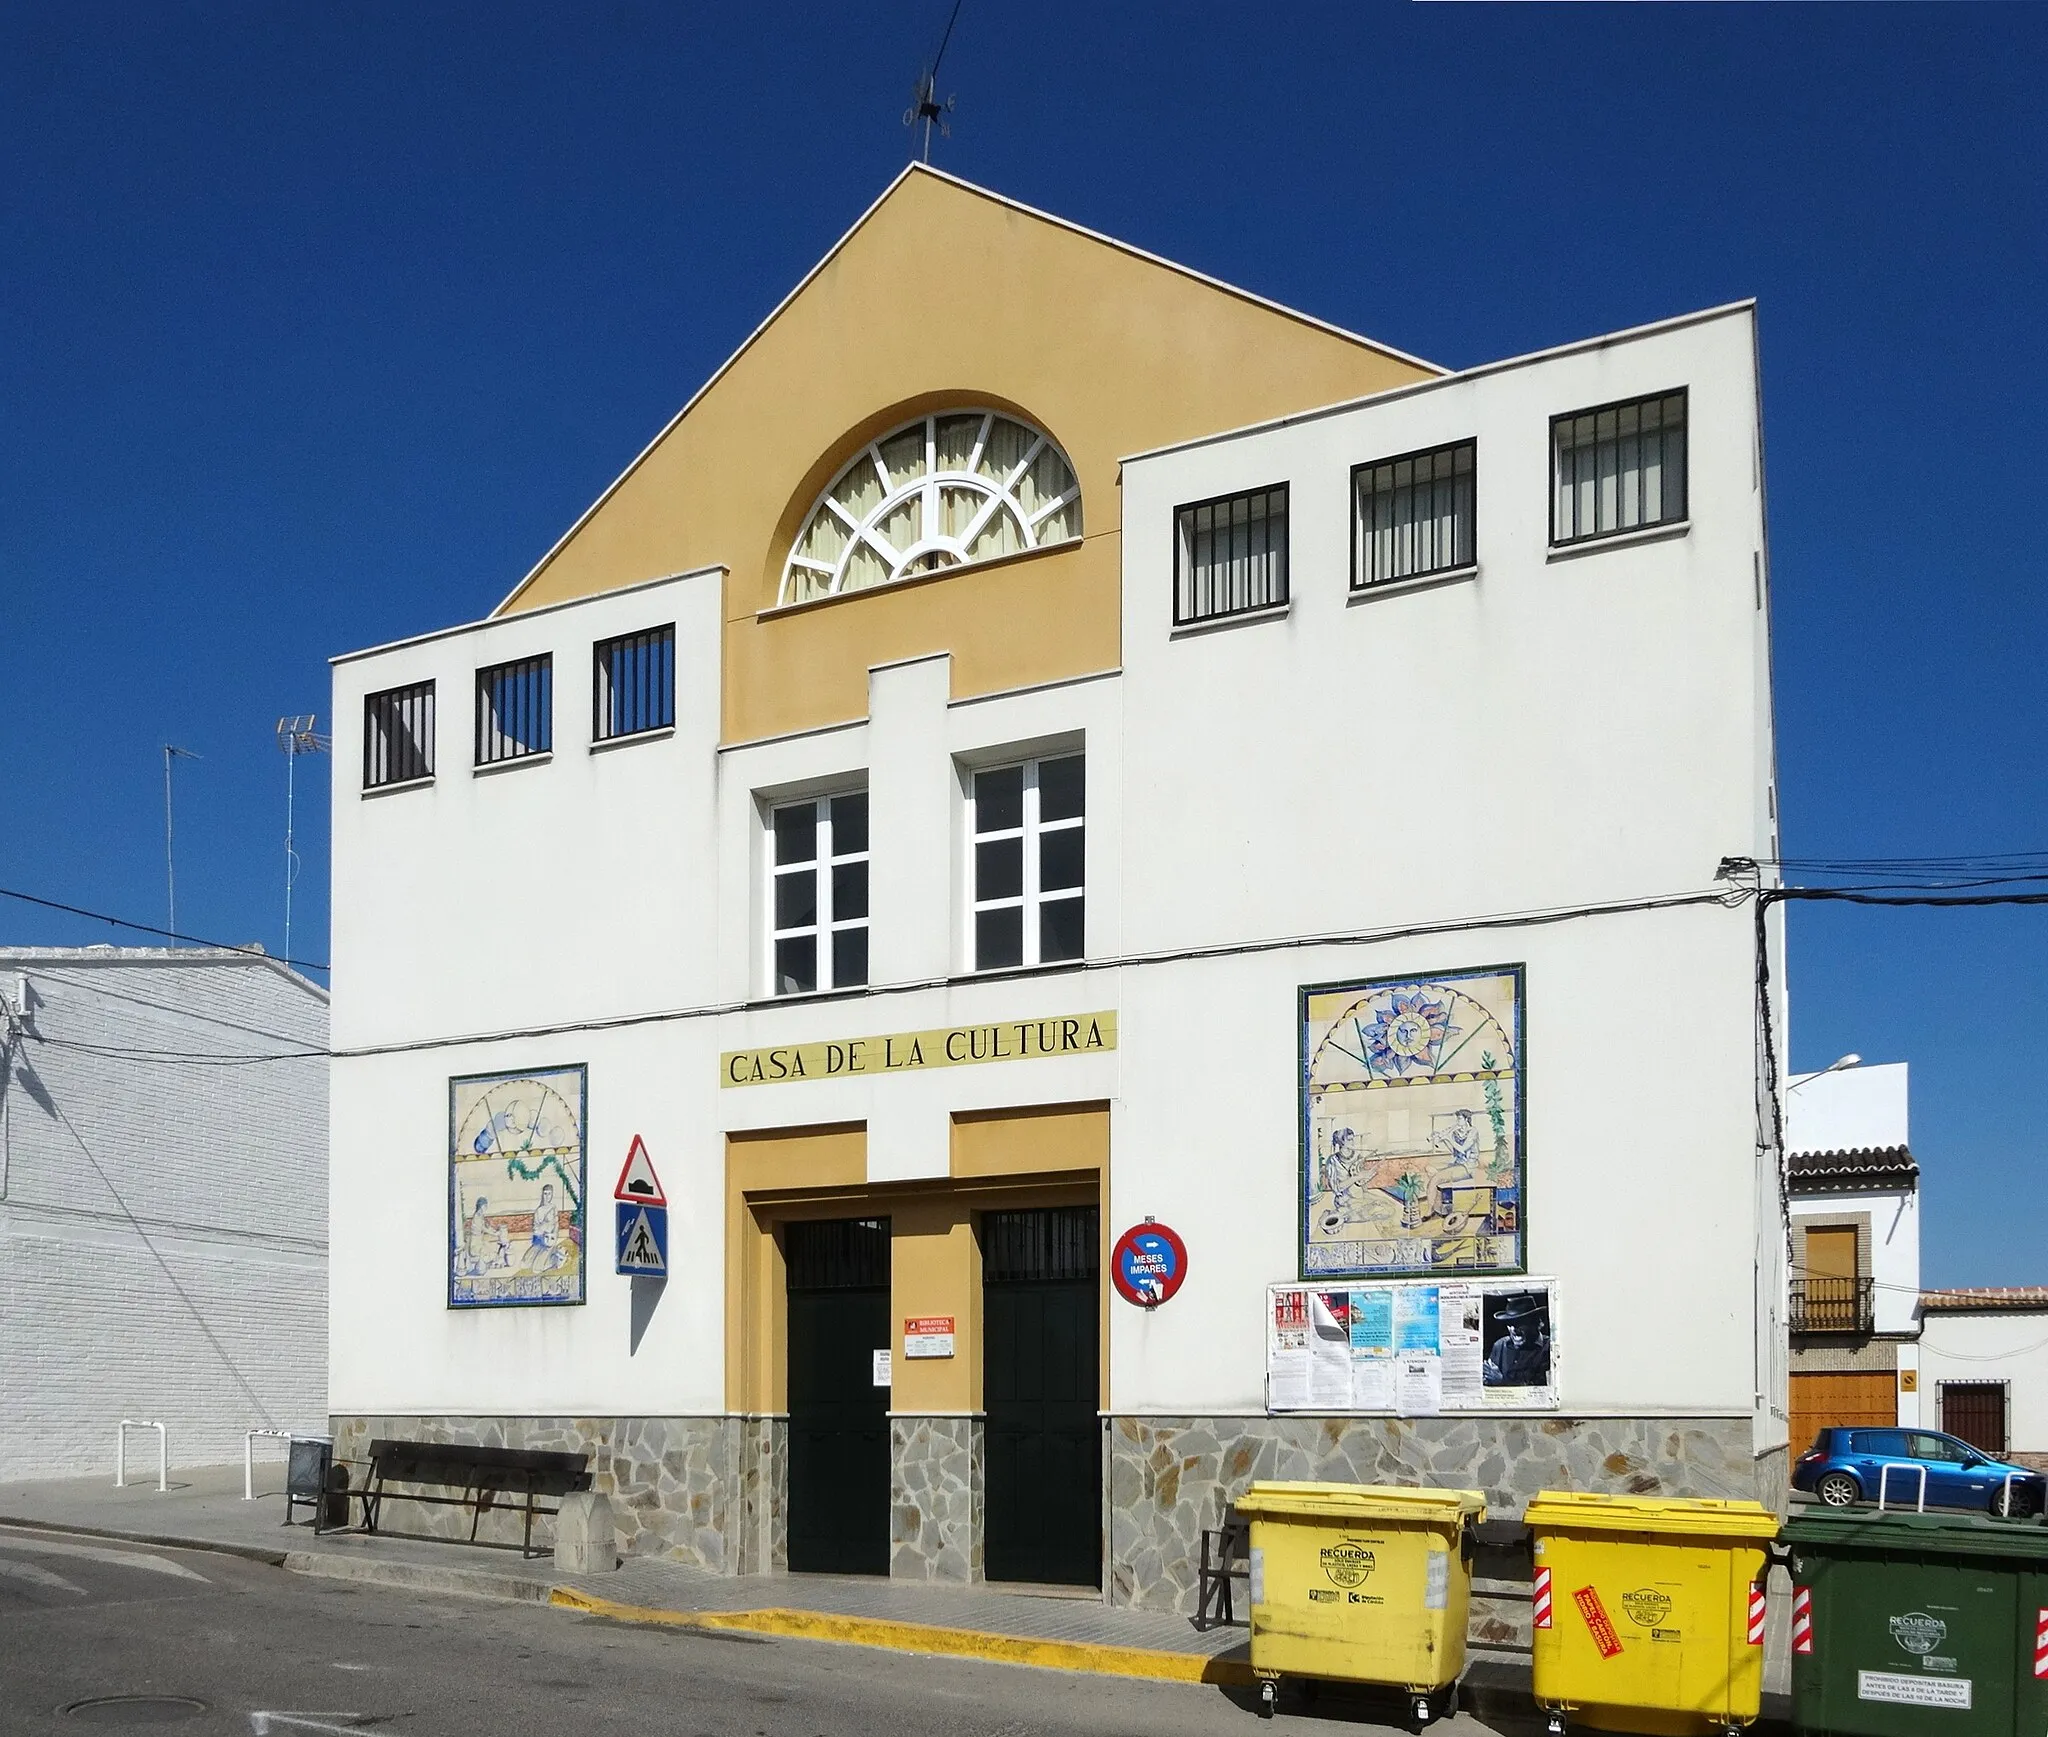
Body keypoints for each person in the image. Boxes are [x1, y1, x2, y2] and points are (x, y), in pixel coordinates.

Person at [1484, 1295, 1549, 1386]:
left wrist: (1502, 1382)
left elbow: (1541, 1388)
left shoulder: (1549, 1349)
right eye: (1509, 1324)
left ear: (1537, 1322)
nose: (1513, 1329)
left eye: (1519, 1323)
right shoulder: (1499, 1345)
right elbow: (1489, 1378)